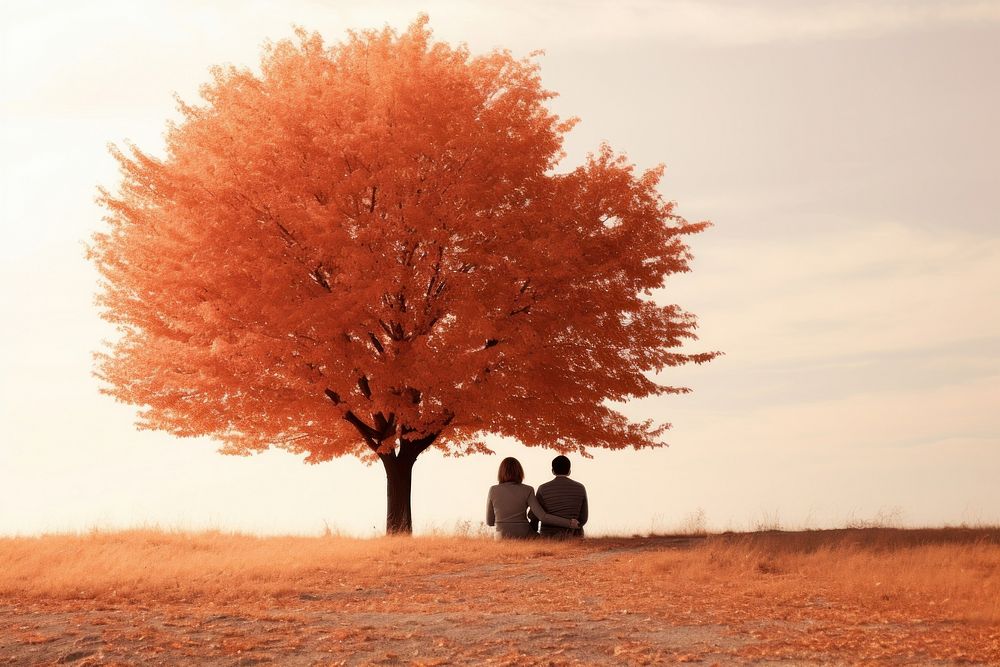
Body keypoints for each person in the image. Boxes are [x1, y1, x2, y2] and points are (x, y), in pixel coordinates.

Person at [486, 457, 579, 539]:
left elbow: (490, 522)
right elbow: (543, 517)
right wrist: (569, 523)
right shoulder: (528, 489)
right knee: (546, 540)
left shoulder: (492, 490)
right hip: (524, 535)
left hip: (500, 537)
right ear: (519, 471)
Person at [529, 455, 588, 538]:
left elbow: (534, 515)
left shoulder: (543, 488)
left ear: (553, 471)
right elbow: (583, 518)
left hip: (549, 536)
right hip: (573, 536)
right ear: (569, 471)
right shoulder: (580, 488)